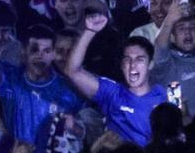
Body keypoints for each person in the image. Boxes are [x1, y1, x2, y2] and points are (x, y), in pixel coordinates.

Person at [62, 9, 165, 145]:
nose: (132, 65)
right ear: (122, 65)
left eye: (139, 59)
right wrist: (90, 31)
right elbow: (72, 71)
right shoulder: (112, 92)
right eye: (127, 59)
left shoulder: (164, 96)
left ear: (150, 64)